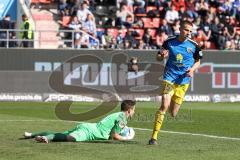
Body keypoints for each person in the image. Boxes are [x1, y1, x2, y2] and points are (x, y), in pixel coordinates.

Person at [148, 20, 203, 145]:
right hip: (169, 78)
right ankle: (153, 138)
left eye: (190, 31)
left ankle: (171, 103)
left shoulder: (194, 45)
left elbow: (198, 61)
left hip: (183, 81)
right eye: (186, 29)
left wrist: (192, 69)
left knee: (173, 113)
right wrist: (161, 56)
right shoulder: (169, 41)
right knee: (164, 106)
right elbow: (158, 57)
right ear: (180, 28)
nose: (188, 33)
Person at [23, 100, 136, 143]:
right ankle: (46, 138)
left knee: (61, 134)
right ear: (129, 110)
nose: (134, 112)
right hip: (90, 132)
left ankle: (31, 135)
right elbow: (114, 136)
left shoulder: (118, 115)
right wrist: (127, 138)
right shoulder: (122, 118)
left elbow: (113, 132)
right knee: (70, 138)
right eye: (134, 110)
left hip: (89, 127)